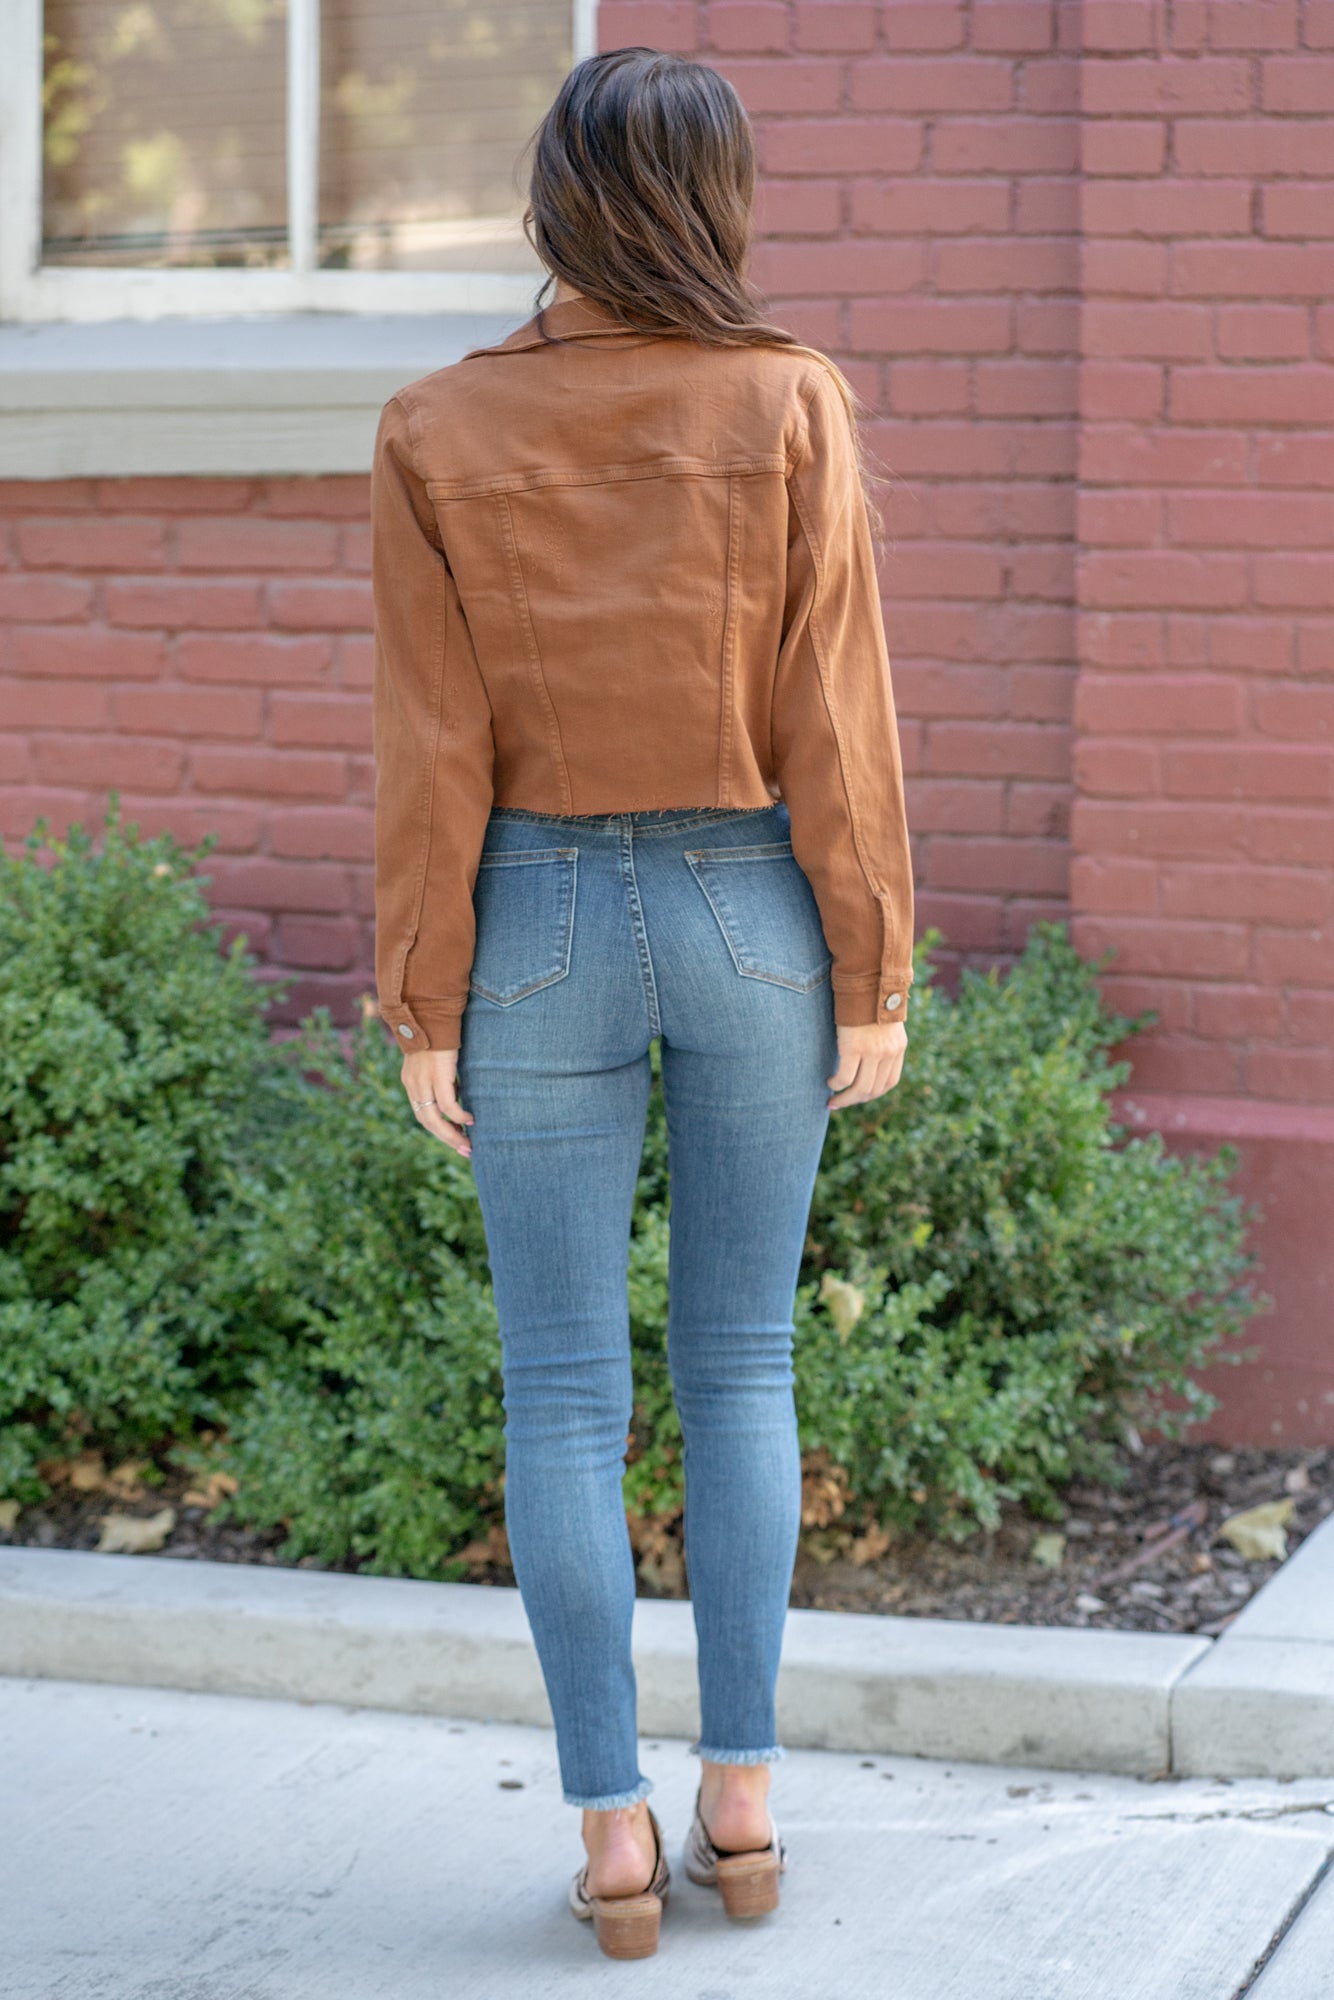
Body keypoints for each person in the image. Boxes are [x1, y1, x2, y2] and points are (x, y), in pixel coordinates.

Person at [370, 45, 914, 1961]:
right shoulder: (788, 399)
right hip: (750, 902)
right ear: (718, 200)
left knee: (560, 1391)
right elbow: (834, 708)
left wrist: (422, 994)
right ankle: (739, 1803)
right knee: (742, 1362)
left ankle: (612, 1837)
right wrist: (874, 962)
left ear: (551, 202)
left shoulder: (436, 424)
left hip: (530, 916)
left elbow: (431, 745)